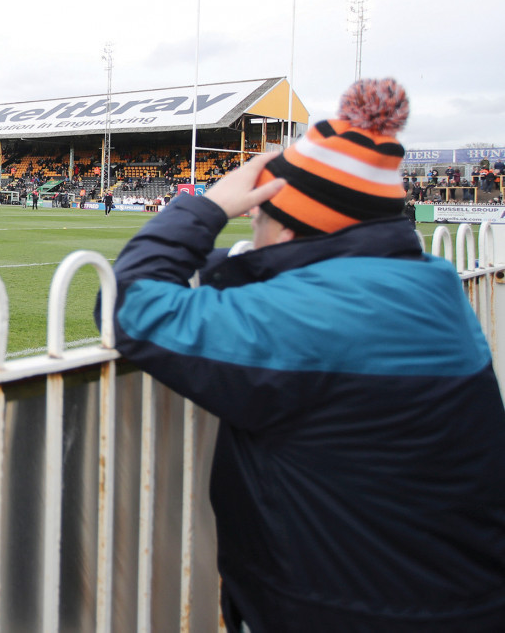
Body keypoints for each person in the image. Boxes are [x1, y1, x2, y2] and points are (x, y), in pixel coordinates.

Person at [98, 78, 505, 632]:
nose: (253, 231)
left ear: (288, 225)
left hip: (350, 612)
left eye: (259, 220)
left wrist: (208, 205)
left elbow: (129, 303)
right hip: (459, 598)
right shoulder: (432, 290)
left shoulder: (303, 323)